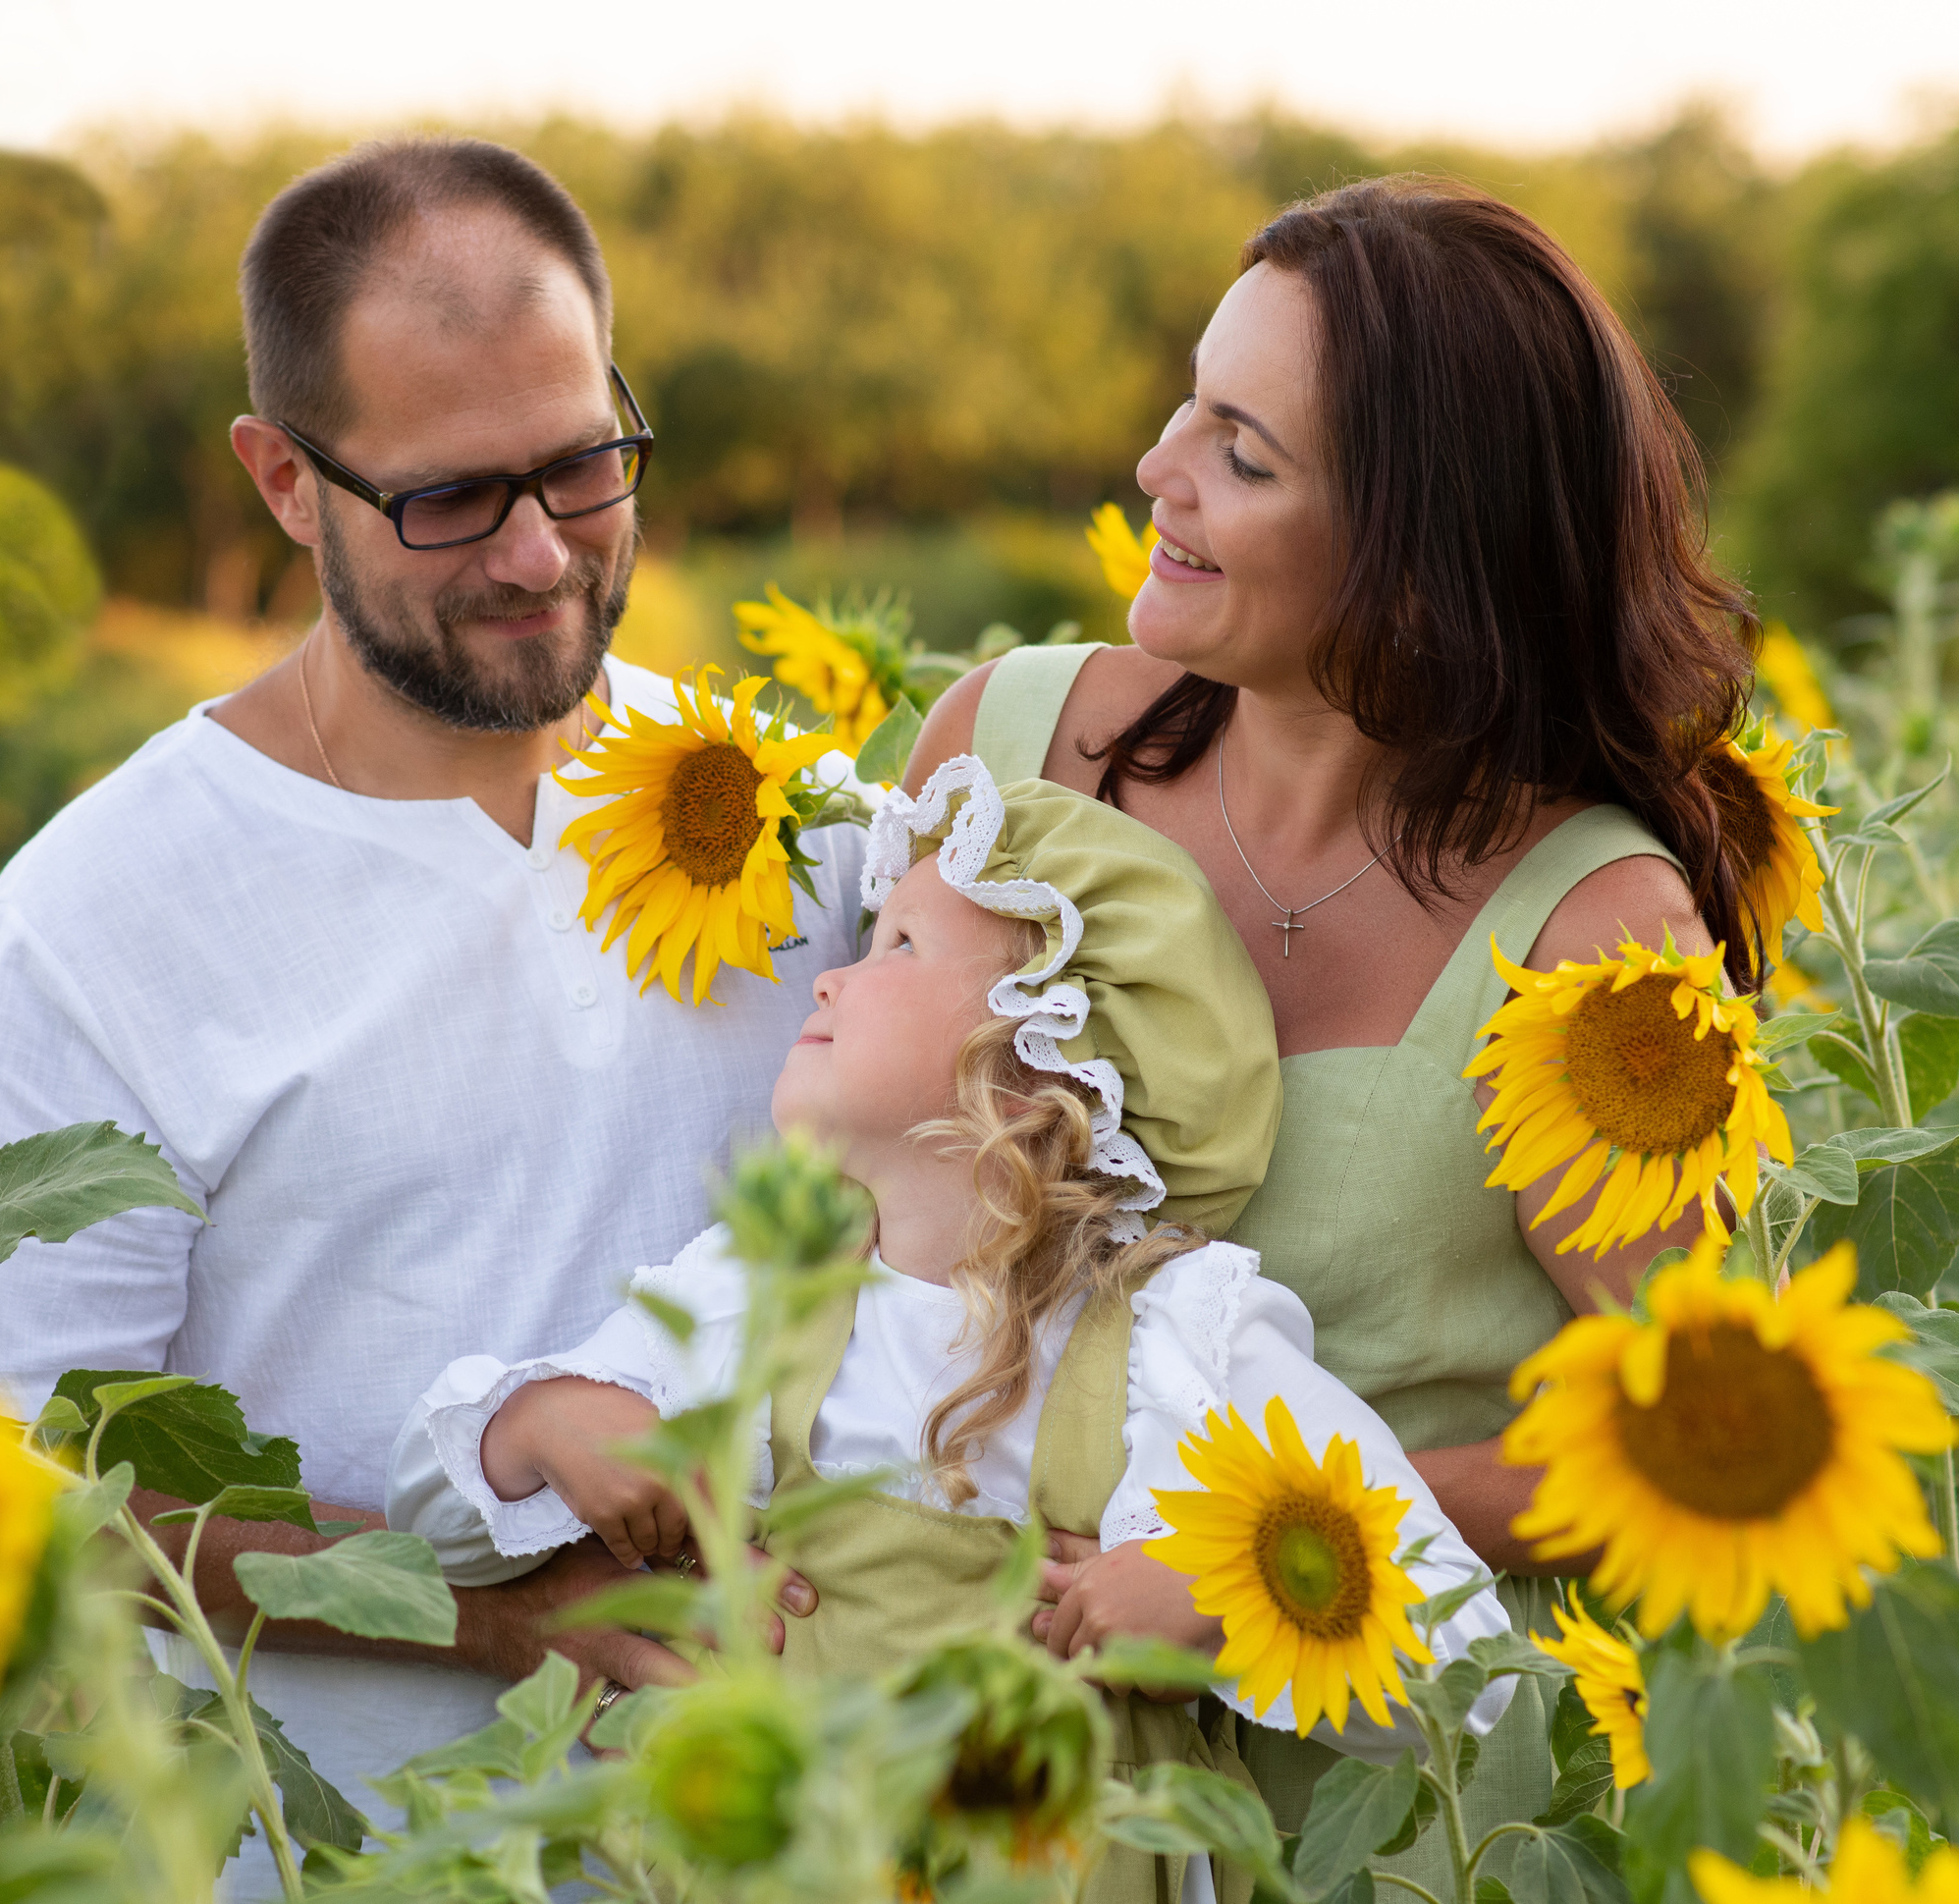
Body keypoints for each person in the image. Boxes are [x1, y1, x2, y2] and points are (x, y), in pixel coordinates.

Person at [0, 137, 856, 1897]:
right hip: (351, 1853)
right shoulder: (98, 924)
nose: (538, 552)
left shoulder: (785, 809)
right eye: (450, 497)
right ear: (284, 479)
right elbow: (30, 1483)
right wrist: (491, 1614)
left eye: (581, 464)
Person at [905, 178, 1758, 1840]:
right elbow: (828, 1189)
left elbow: (1684, 1445)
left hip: (1388, 1806)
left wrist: (1280, 1545)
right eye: (1189, 405)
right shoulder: (1001, 753)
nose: (1155, 470)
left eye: (1243, 454)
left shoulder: (1596, 939)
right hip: (974, 1766)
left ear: (1424, 558)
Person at [390, 757, 1516, 1904]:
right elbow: (434, 1526)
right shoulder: (759, 1286)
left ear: (1041, 1057)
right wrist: (543, 1428)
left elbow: (1466, 1663)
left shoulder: (1178, 1339)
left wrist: (1231, 1598)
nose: (832, 977)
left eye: (899, 946)